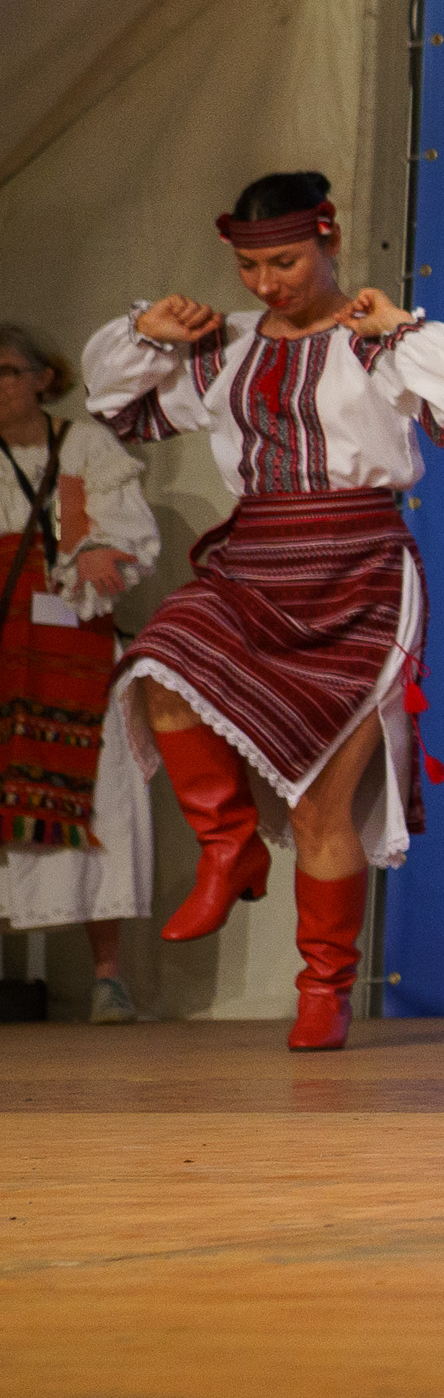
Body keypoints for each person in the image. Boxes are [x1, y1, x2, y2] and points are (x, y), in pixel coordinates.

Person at [84, 173, 444, 1050]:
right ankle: (226, 842)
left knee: (323, 806)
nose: (266, 282)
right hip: (254, 562)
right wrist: (143, 331)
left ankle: (323, 986)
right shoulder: (226, 346)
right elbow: (115, 405)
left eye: (283, 260)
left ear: (328, 240)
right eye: (249, 265)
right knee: (160, 665)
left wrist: (400, 328)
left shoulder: (374, 341)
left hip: (358, 571)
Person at [1, 322, 160, 1020]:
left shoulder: (86, 445)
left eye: (5, 370)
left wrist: (96, 553)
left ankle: (108, 978)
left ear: (43, 377)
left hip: (74, 651)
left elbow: (123, 537)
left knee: (102, 805)